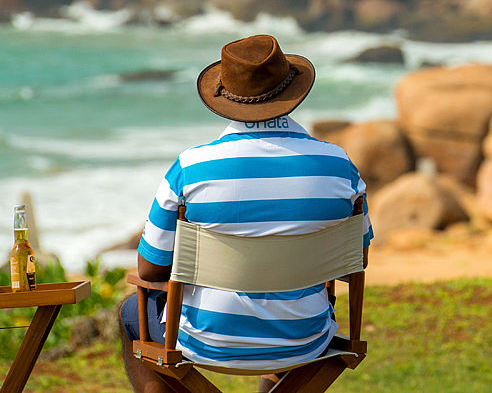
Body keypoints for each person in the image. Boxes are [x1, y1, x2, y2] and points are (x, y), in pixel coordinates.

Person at [119, 34, 371, 393]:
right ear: (291, 94)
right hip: (306, 337)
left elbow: (150, 269)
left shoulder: (191, 167)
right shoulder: (338, 165)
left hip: (207, 340)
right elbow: (355, 259)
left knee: (132, 312)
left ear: (224, 98)